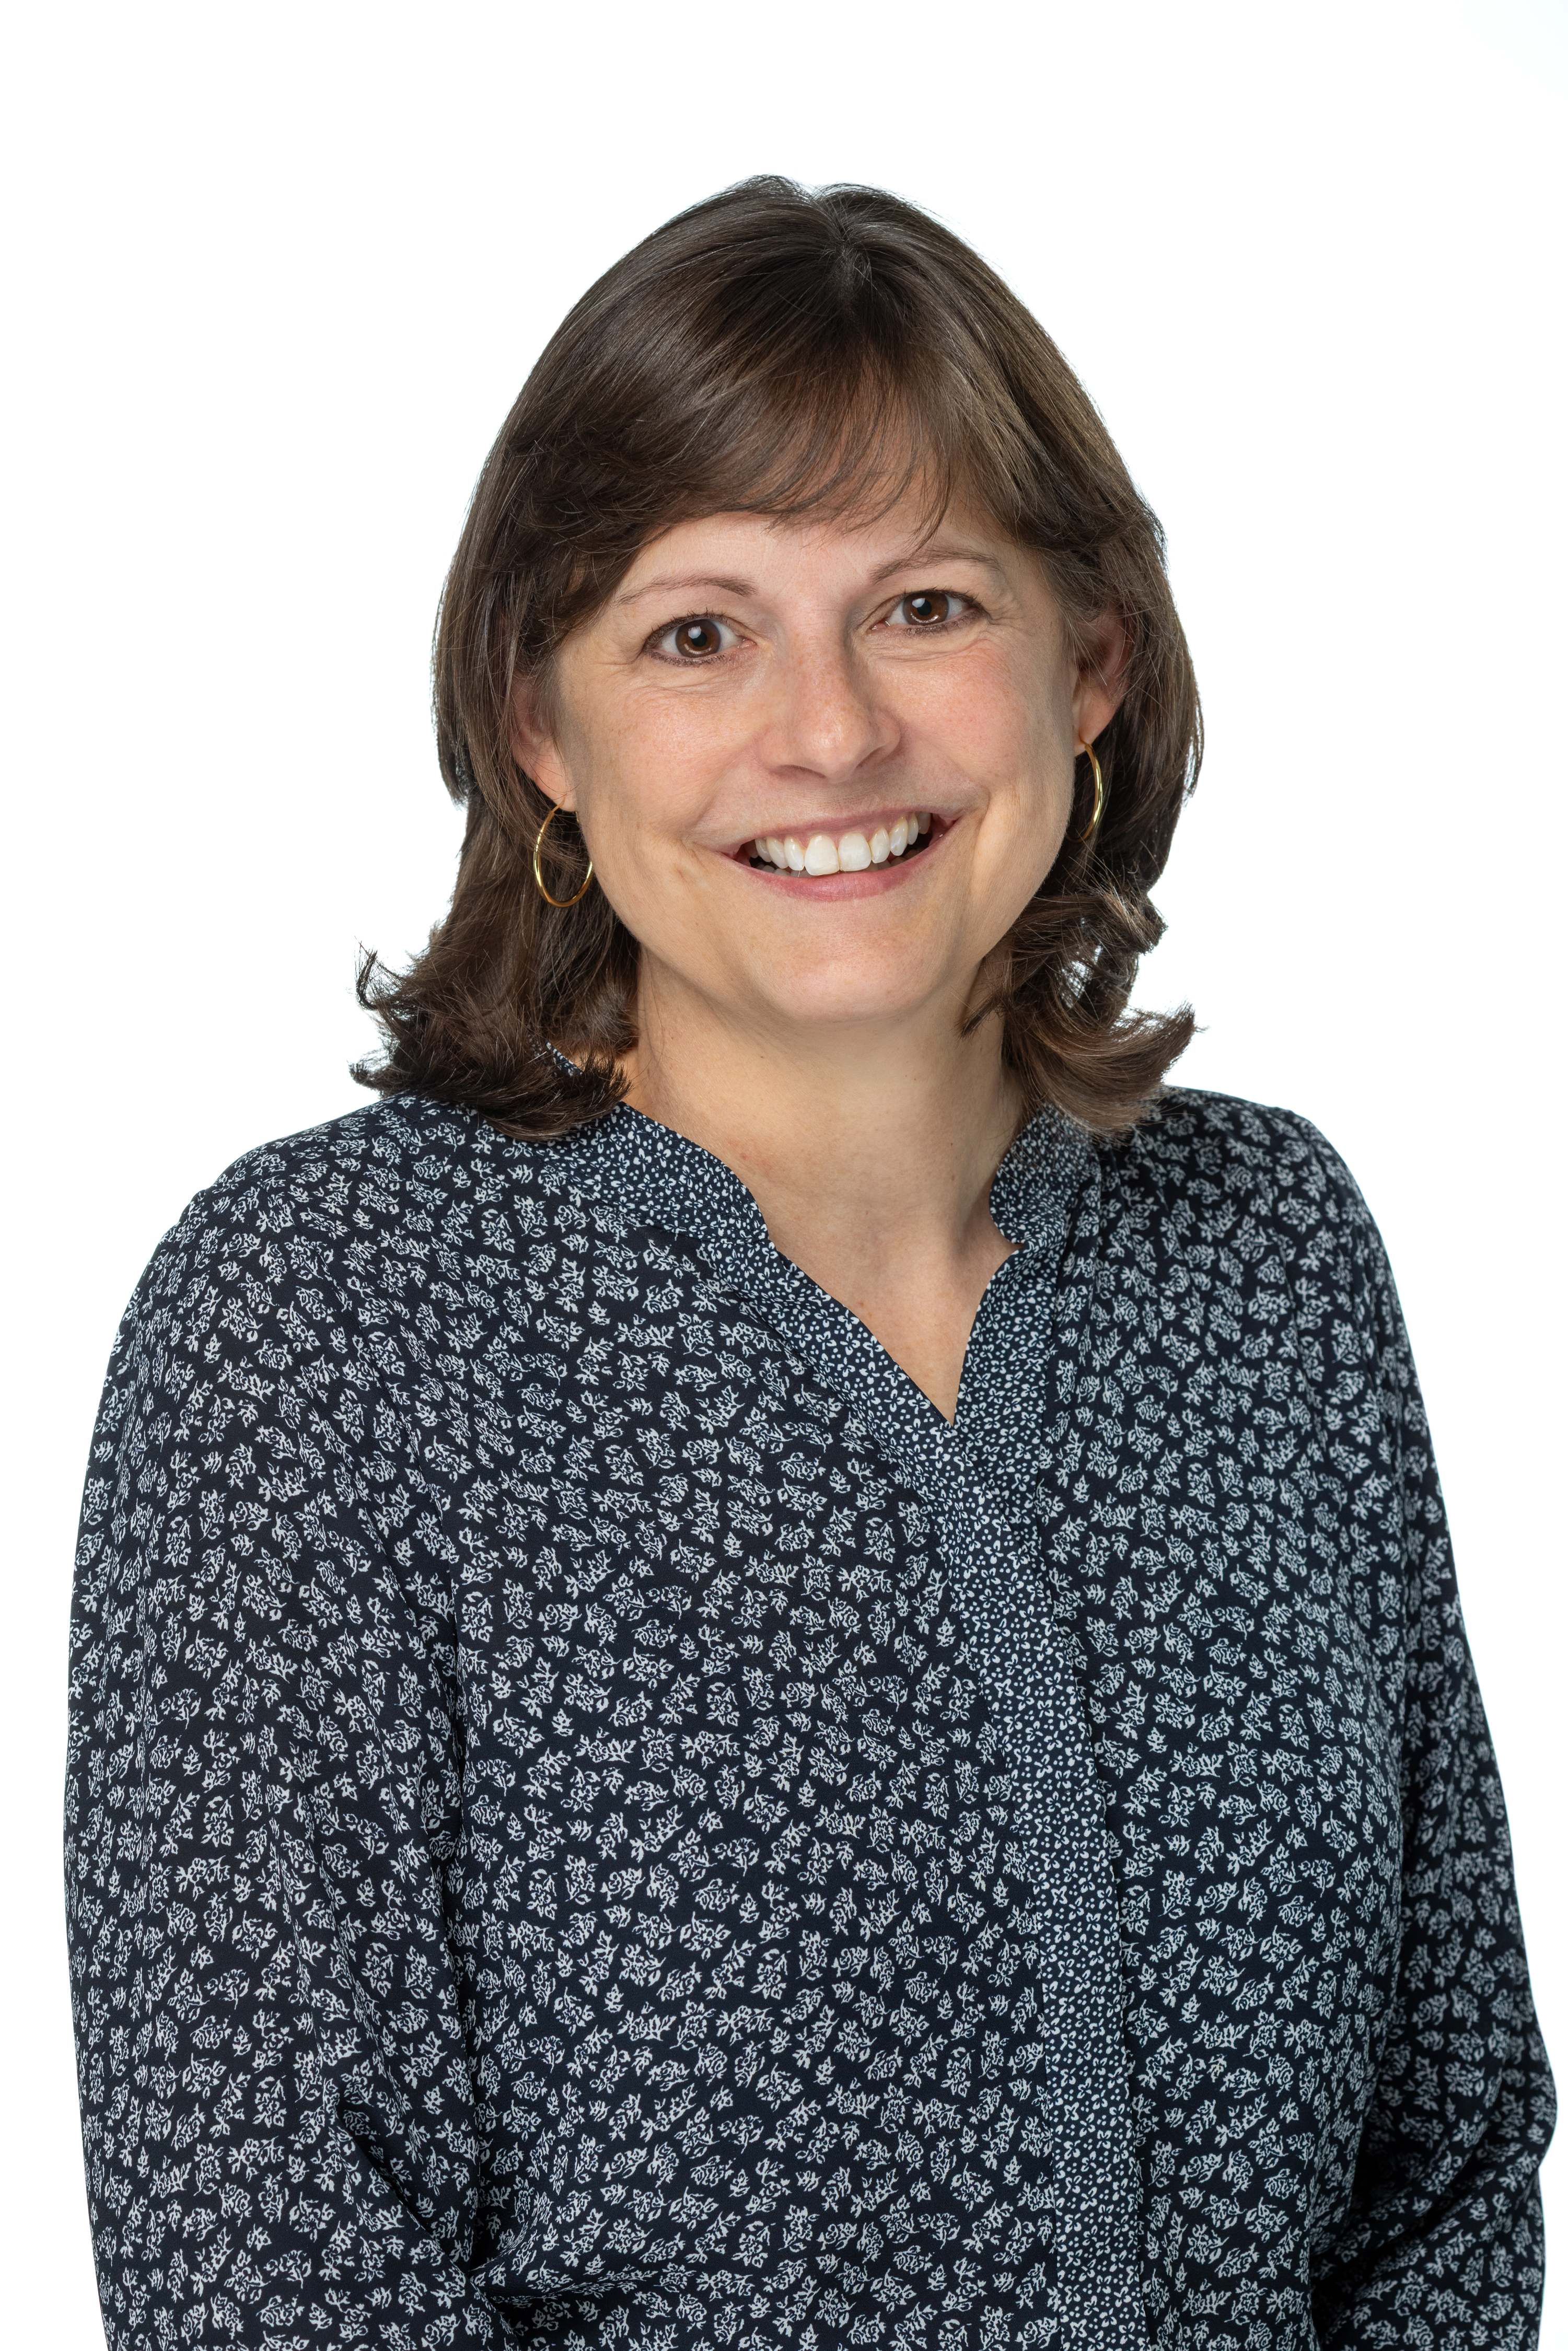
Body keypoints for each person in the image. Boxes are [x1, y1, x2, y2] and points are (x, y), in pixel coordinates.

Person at [66, 178, 1551, 2351]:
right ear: (541, 728)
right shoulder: (320, 1322)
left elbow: (1444, 2161)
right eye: (697, 631)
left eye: (927, 605)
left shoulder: (1271, 1259)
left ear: (1092, 663)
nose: (830, 732)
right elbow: (273, 2261)